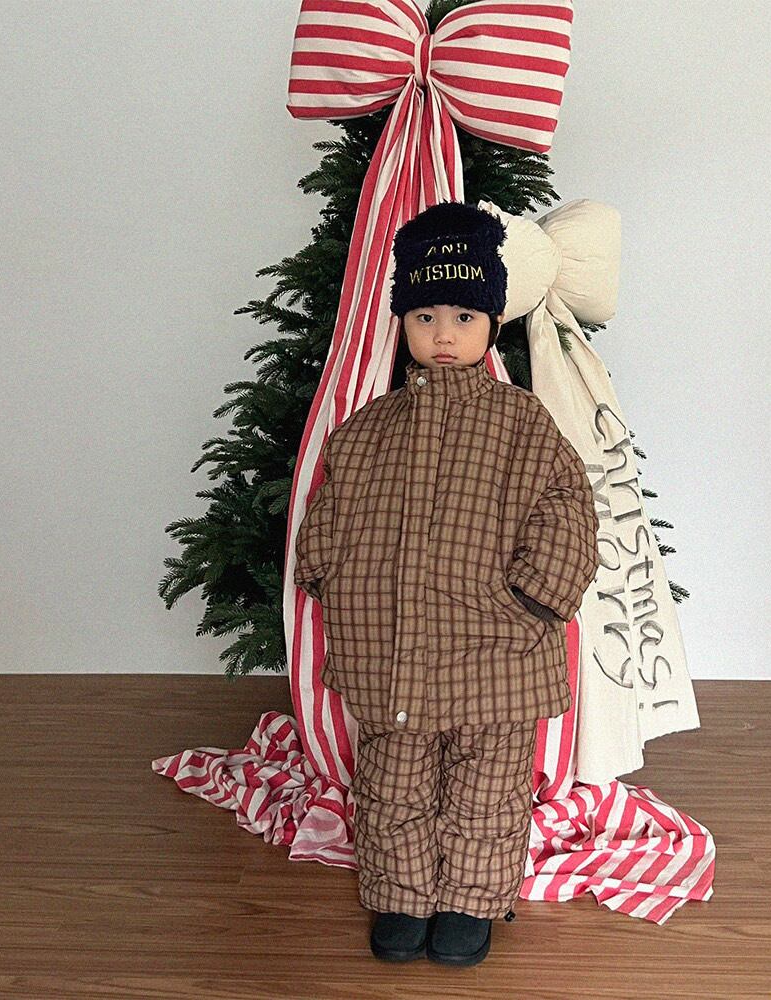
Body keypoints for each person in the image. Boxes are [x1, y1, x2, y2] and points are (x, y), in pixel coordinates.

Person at [294, 201, 599, 967]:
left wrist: (535, 596)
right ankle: (401, 895)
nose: (443, 333)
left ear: (491, 323)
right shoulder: (368, 431)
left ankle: (469, 901)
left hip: (498, 650)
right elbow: (331, 510)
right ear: (402, 321)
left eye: (463, 316)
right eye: (424, 315)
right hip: (394, 652)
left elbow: (568, 508)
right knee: (393, 781)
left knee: (487, 788)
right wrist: (326, 573)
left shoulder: (523, 423)